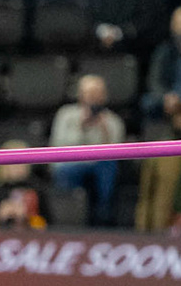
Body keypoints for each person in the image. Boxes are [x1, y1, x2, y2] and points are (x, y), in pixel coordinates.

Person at [48, 73, 125, 225]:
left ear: (104, 96)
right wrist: (81, 127)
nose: (93, 97)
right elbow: (58, 146)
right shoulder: (66, 115)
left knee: (108, 167)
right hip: (71, 163)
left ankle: (103, 217)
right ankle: (68, 218)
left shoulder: (113, 121)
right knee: (65, 171)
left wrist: (104, 131)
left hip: (99, 164)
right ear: (80, 95)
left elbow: (116, 153)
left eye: (97, 93)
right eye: (90, 93)